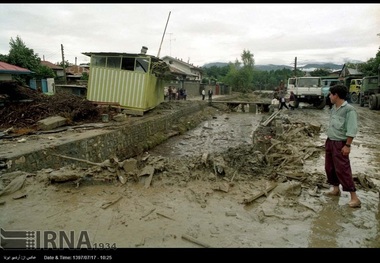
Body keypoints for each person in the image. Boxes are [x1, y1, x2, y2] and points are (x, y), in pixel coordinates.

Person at [324, 84, 361, 208]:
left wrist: (347, 145)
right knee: (330, 168)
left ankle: (354, 198)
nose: (329, 96)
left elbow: (352, 129)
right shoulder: (334, 108)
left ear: (336, 95)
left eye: (331, 94)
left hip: (340, 143)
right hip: (330, 141)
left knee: (343, 170)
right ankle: (335, 189)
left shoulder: (349, 110)